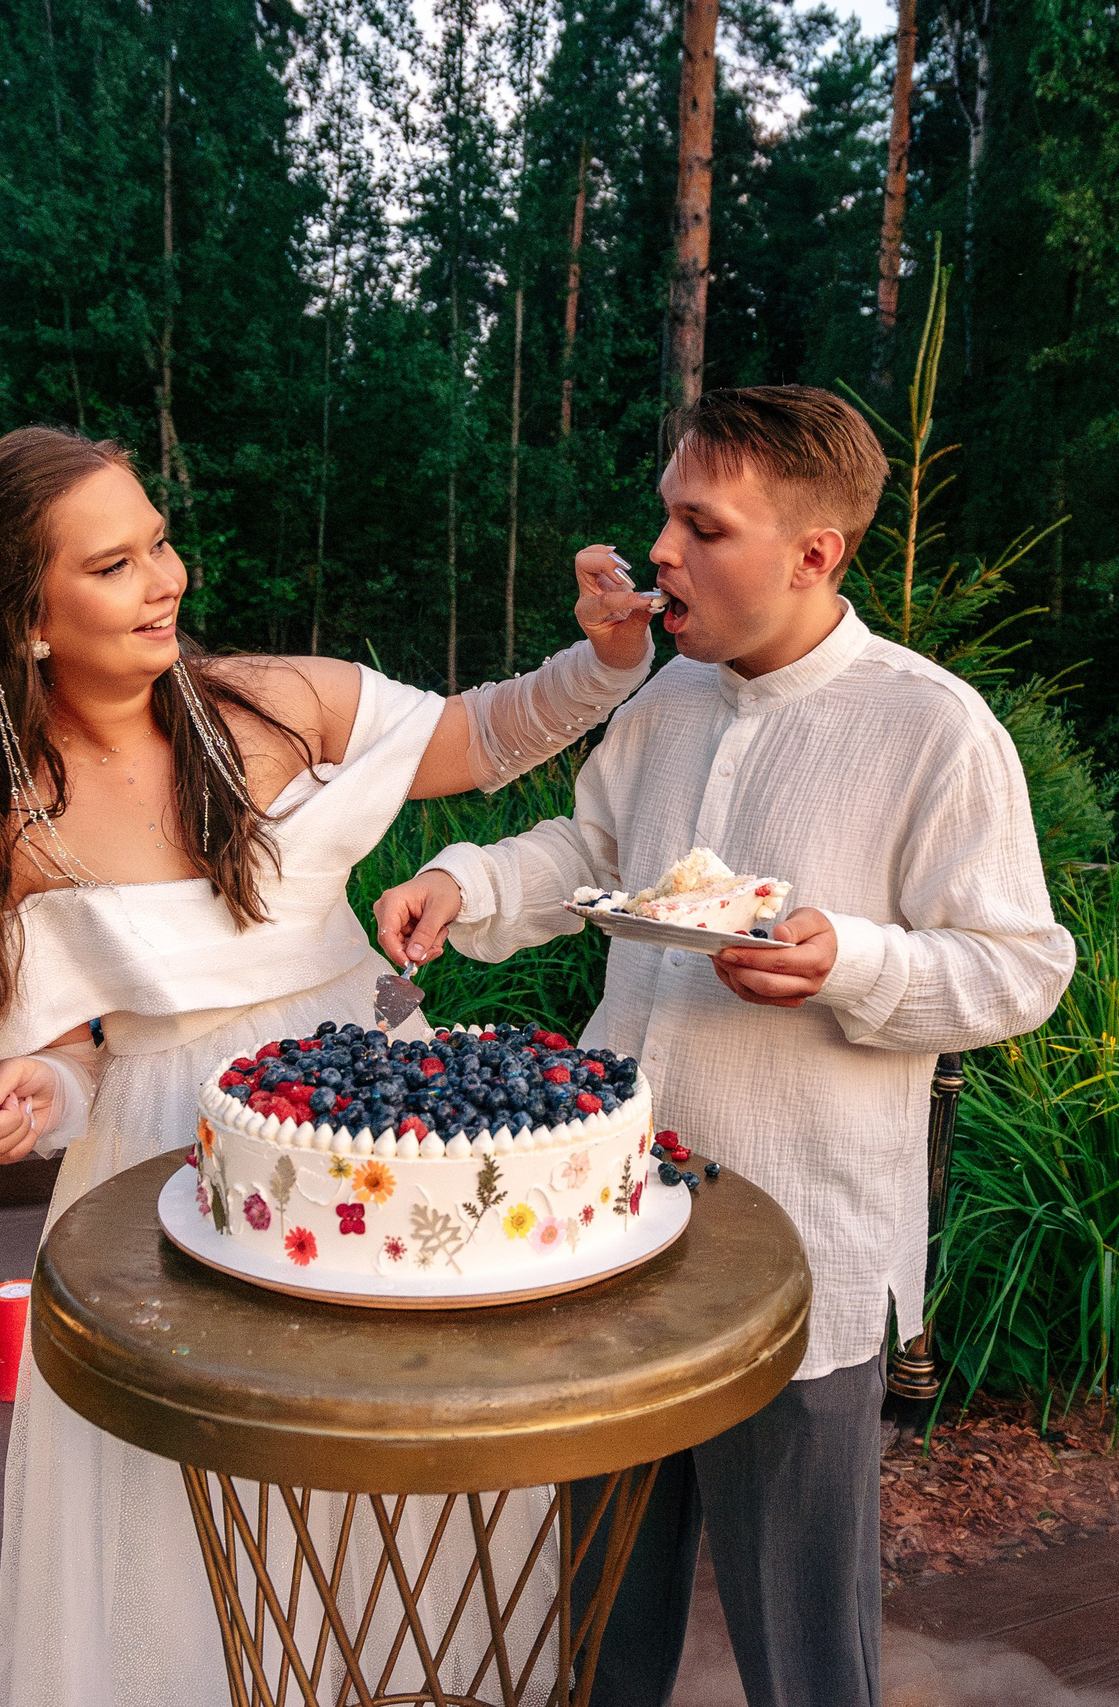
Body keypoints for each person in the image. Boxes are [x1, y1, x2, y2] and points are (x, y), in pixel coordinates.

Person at [0, 424, 659, 1707]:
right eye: (114, 565)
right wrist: (31, 1098)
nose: (167, 579)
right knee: (199, 1496)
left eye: (157, 541)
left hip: (375, 1109)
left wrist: (604, 663)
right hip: (165, 1153)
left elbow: (477, 739)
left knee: (408, 1443)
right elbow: (60, 1062)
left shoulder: (269, 699)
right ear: (27, 621)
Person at [373, 385, 1077, 1707]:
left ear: (817, 552)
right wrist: (467, 878)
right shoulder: (667, 700)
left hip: (804, 1255)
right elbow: (589, 852)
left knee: (807, 1655)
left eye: (704, 526)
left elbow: (1023, 965)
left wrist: (851, 960)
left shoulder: (933, 727)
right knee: (596, 1624)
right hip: (616, 1225)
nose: (665, 554)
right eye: (666, 519)